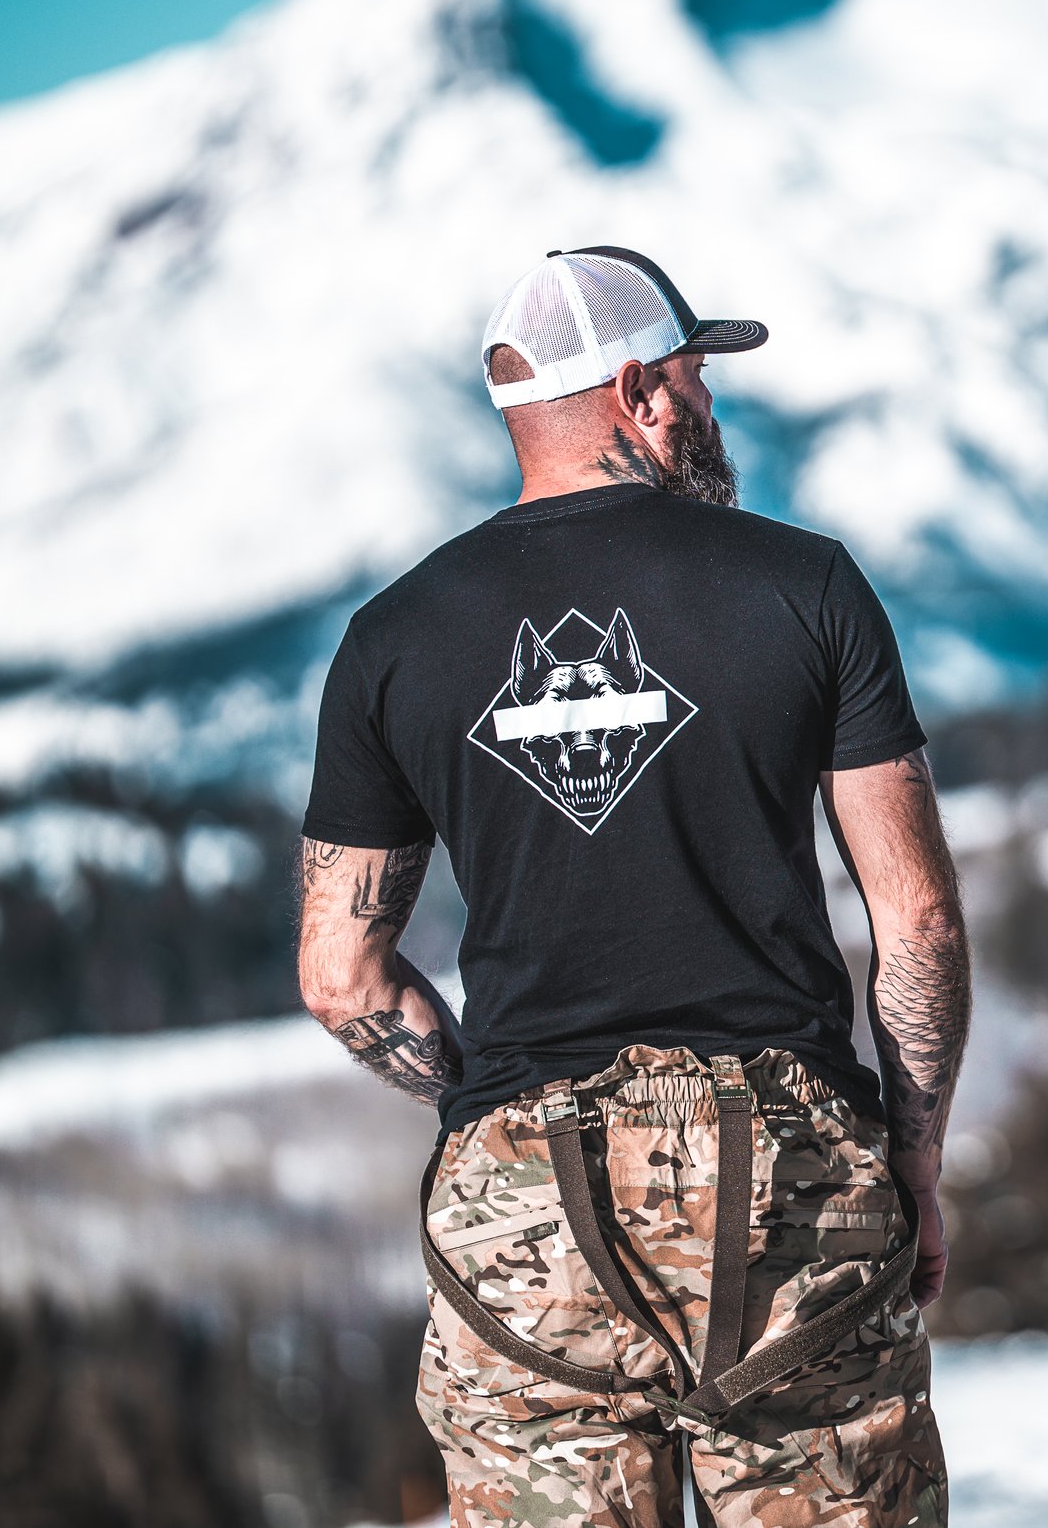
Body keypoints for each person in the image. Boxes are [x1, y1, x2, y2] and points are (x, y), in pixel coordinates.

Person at [294, 246, 966, 1527]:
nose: (711, 408)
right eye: (700, 379)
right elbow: (916, 917)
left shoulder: (390, 636)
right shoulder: (803, 583)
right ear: (639, 389)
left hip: (524, 1206)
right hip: (789, 1186)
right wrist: (913, 1161)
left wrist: (490, 1105)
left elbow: (340, 975)